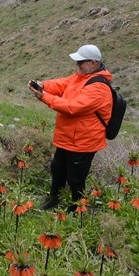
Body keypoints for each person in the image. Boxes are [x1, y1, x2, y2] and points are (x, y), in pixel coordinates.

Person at [28, 44, 113, 211]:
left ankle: (78, 209)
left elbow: (73, 107)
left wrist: (44, 97)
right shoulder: (81, 76)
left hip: (84, 142)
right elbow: (63, 84)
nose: (77, 65)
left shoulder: (99, 88)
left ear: (94, 63)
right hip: (68, 137)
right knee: (57, 169)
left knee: (76, 178)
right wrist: (43, 85)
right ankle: (54, 199)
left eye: (81, 62)